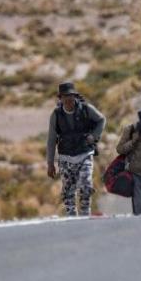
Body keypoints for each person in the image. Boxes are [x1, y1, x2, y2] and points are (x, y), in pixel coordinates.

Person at [47, 82, 105, 217]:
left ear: (75, 96)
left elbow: (101, 120)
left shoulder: (86, 109)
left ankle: (85, 215)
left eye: (71, 96)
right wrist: (50, 163)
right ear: (60, 98)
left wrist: (94, 136)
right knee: (68, 192)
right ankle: (72, 219)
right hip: (65, 158)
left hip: (85, 154)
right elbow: (51, 140)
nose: (68, 99)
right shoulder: (56, 115)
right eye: (65, 96)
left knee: (85, 186)